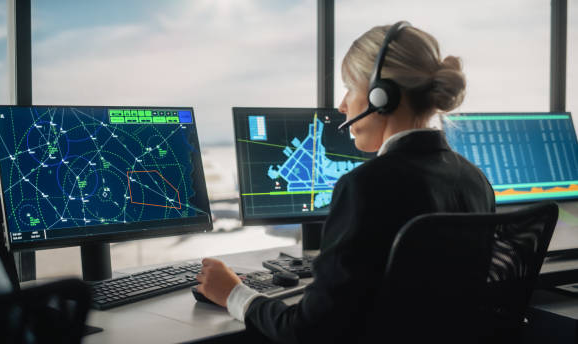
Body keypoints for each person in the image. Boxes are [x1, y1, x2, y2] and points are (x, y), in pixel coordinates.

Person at [196, 22, 496, 343]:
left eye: (349, 88)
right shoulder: (475, 180)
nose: (342, 106)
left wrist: (233, 294)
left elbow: (307, 332)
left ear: (382, 96)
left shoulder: (366, 186)